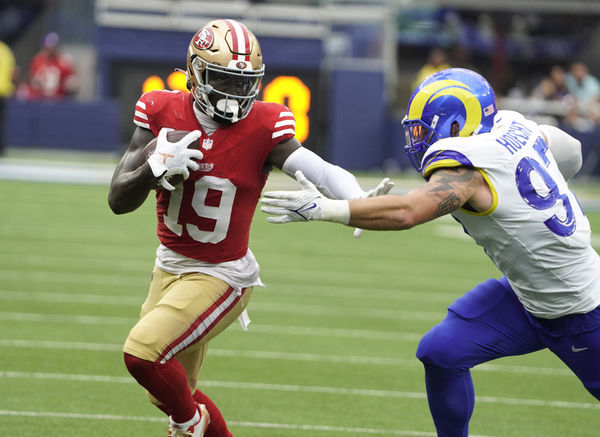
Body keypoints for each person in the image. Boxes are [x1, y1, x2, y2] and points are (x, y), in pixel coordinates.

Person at [261, 68, 600, 436]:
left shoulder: (469, 170)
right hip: (527, 295)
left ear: (457, 125)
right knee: (441, 352)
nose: (417, 140)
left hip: (581, 312)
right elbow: (573, 151)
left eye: (423, 129)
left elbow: (408, 211)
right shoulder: (514, 127)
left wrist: (326, 209)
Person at [108, 18, 391, 437]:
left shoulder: (263, 126)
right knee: (169, 389)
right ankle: (194, 420)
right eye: (225, 80)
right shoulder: (160, 110)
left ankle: (190, 425)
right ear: (197, 72)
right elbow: (118, 199)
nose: (235, 94)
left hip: (223, 274)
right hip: (168, 266)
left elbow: (320, 169)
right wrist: (152, 169)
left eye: (245, 83)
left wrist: (357, 198)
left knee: (143, 355)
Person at [26, 32, 78, 99]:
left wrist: (68, 84)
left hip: (59, 100)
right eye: (47, 47)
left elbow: (73, 82)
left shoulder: (64, 61)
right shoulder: (38, 60)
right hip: (40, 99)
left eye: (52, 46)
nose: (50, 49)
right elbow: (31, 80)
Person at [0, 39, 15, 155]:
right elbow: (12, 72)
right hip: (4, 91)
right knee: (1, 122)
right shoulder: (5, 50)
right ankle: (1, 148)